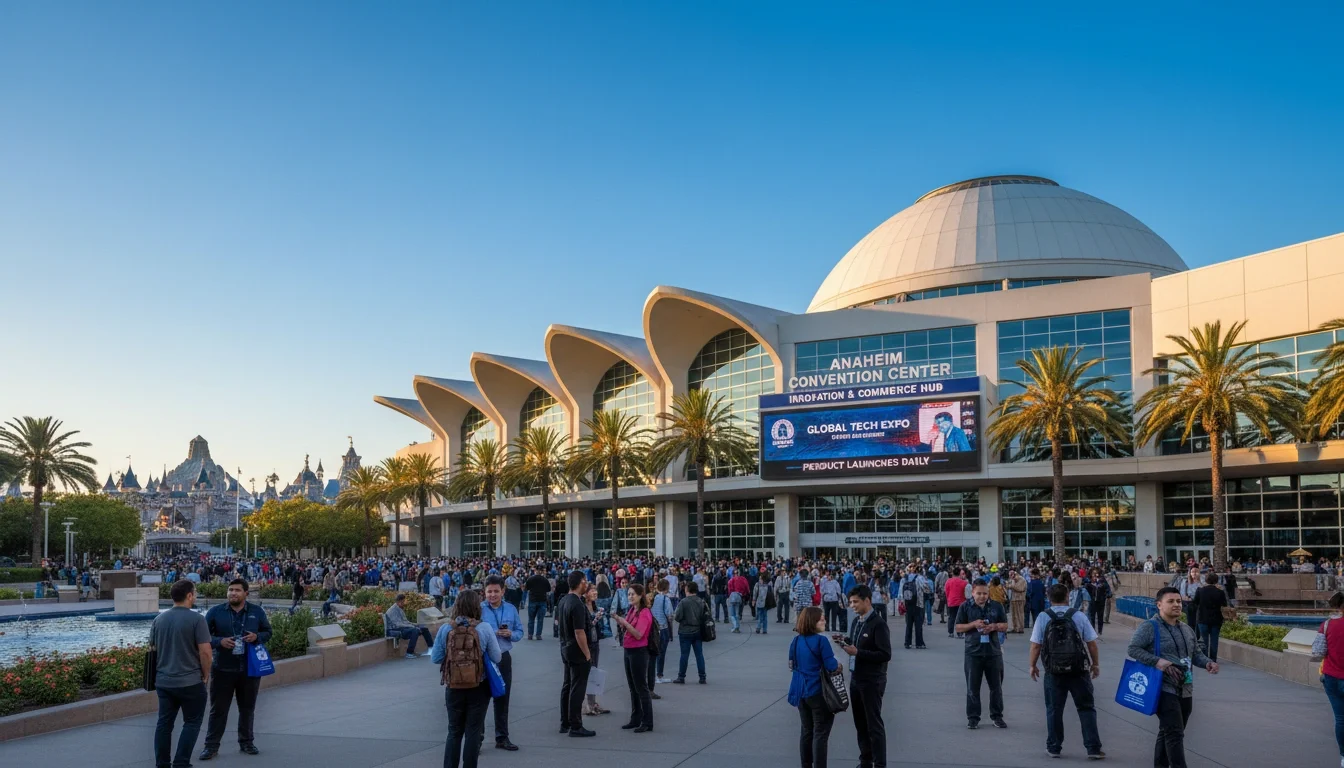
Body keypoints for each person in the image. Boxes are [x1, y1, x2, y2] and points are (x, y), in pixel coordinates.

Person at [1127, 587, 1219, 768]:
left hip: (1185, 687)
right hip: (1162, 687)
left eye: (1178, 601)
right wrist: (1158, 662)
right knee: (1175, 733)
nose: (1177, 605)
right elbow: (1133, 649)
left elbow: (1196, 653)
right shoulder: (1149, 627)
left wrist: (1208, 663)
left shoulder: (1187, 629)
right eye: (1171, 601)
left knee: (1169, 731)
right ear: (1159, 605)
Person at [199, 578, 272, 760]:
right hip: (222, 669)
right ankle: (211, 746)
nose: (233, 593)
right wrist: (219, 642)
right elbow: (204, 636)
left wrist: (257, 637)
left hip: (249, 669)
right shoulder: (216, 612)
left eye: (237, 590)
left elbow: (268, 632)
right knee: (218, 710)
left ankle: (246, 742)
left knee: (247, 708)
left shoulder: (256, 611)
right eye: (230, 590)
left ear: (246, 593)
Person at [1029, 583, 1104, 760]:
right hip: (1078, 670)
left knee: (1054, 709)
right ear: (1068, 596)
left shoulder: (1043, 617)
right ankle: (1093, 747)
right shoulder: (1078, 615)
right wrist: (1095, 664)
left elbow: (1036, 645)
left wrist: (1033, 665)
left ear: (1048, 597)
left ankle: (1054, 747)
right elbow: (1091, 643)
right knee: (1086, 708)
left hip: (1054, 671)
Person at [432, 589, 502, 768]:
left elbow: (436, 658)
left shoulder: (446, 628)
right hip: (479, 686)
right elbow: (497, 657)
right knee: (473, 731)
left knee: (454, 731)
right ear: (476, 606)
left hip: (454, 686)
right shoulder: (484, 627)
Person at [152, 579, 212, 768]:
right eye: (194, 593)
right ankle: (181, 763)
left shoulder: (158, 619)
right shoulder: (197, 619)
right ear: (189, 595)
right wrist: (205, 675)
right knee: (192, 722)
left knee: (164, 724)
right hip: (190, 681)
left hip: (164, 681)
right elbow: (205, 652)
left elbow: (152, 649)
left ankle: (162, 764)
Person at [838, 585, 891, 768]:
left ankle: (880, 763)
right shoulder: (856, 621)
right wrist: (845, 643)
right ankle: (865, 760)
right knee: (860, 723)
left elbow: (885, 654)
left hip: (872, 679)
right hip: (856, 678)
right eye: (851, 602)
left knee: (873, 724)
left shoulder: (878, 624)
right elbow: (855, 644)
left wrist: (858, 652)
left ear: (867, 601)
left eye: (855, 602)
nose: (852, 605)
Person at [789, 606, 839, 768]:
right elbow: (831, 666)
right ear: (812, 621)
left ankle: (806, 765)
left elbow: (791, 664)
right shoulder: (821, 641)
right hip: (818, 692)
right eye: (820, 618)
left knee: (806, 731)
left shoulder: (796, 640)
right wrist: (839, 666)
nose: (824, 620)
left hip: (801, 692)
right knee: (820, 734)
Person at [955, 579, 1008, 729]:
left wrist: (994, 626)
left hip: (993, 652)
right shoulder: (965, 607)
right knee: (973, 687)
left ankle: (997, 716)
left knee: (996, 687)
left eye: (985, 593)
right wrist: (973, 624)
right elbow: (958, 627)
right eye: (978, 593)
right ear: (972, 592)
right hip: (973, 652)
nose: (982, 597)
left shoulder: (996, 606)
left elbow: (1005, 625)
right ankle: (973, 717)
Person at [482, 576, 523, 751]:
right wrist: (492, 632)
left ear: (503, 591)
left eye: (496, 591)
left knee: (503, 698)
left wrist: (510, 634)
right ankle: (477, 739)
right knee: (481, 700)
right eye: (489, 591)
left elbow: (520, 632)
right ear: (484, 592)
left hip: (504, 656)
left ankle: (502, 737)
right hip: (484, 658)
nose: (492, 595)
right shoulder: (479, 609)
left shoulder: (511, 609)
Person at [612, 583, 655, 732]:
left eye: (633, 594)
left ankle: (647, 721)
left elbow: (638, 634)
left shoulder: (644, 612)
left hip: (639, 651)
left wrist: (623, 622)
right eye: (628, 594)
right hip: (628, 649)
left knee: (641, 687)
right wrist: (620, 621)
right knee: (632, 687)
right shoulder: (632, 610)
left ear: (640, 595)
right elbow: (628, 628)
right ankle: (635, 718)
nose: (630, 596)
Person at [558, 570, 596, 737]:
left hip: (565, 648)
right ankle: (575, 724)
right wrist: (587, 654)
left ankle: (564, 722)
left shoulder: (563, 600)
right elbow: (579, 632)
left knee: (567, 685)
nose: (586, 583)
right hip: (577, 650)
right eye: (585, 581)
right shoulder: (577, 604)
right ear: (581, 582)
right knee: (577, 687)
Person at [1314, 591, 1344, 766]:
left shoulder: (1326, 625)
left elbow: (1318, 652)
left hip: (1331, 676)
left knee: (1341, 719)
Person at [582, 582, 610, 716]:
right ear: (585, 593)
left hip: (594, 643)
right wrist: (594, 619)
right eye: (592, 591)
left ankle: (592, 703)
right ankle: (587, 705)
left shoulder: (594, 606)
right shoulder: (581, 607)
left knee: (593, 673)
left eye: (595, 591)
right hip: (585, 644)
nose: (595, 593)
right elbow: (583, 627)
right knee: (584, 674)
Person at [673, 582, 708, 684]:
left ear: (687, 589)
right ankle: (702, 677)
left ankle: (681, 676)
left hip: (685, 631)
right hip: (698, 630)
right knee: (699, 655)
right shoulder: (701, 601)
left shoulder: (684, 602)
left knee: (684, 654)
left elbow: (677, 617)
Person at [1191, 572, 1229, 663]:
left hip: (1202, 618)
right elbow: (1224, 604)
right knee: (1214, 639)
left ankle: (1205, 659)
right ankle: (1213, 659)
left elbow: (1195, 603)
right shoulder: (1220, 592)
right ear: (1216, 581)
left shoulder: (1200, 590)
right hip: (1216, 619)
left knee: (1203, 640)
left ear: (1206, 580)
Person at [385, 593, 434, 659]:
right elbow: (397, 624)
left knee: (423, 628)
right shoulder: (392, 610)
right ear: (399, 601)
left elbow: (405, 621)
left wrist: (415, 624)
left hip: (402, 628)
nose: (404, 603)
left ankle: (431, 649)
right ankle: (409, 652)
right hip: (395, 630)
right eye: (403, 602)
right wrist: (412, 626)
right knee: (415, 630)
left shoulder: (399, 608)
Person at [898, 564, 928, 650]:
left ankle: (907, 643)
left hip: (907, 604)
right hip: (918, 603)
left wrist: (901, 602)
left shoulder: (904, 579)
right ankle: (919, 643)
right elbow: (926, 588)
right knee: (918, 624)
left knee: (909, 624)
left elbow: (900, 592)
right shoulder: (920, 578)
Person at [524, 568, 551, 640]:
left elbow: (526, 588)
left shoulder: (530, 579)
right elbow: (549, 589)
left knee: (531, 619)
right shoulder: (545, 580)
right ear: (541, 572)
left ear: (535, 571)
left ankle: (530, 634)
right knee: (540, 619)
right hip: (542, 600)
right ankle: (538, 635)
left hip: (533, 600)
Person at [945, 568, 968, 638]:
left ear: (953, 573)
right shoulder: (964, 582)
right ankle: (960, 632)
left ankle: (950, 632)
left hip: (951, 601)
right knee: (960, 618)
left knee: (951, 617)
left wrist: (948, 598)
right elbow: (966, 593)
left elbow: (946, 591)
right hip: (961, 602)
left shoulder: (948, 581)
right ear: (959, 574)